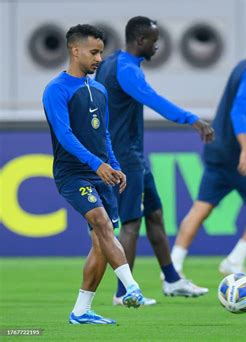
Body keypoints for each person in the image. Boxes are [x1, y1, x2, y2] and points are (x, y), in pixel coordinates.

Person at [95, 16, 214, 305]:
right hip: (124, 157)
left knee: (155, 215)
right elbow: (153, 99)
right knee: (132, 224)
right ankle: (124, 293)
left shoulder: (113, 63)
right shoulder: (126, 70)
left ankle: (172, 281)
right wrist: (192, 120)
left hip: (132, 155)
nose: (156, 46)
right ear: (140, 41)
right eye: (154, 40)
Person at [171, 23, 246, 275]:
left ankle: (173, 266)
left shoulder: (243, 67)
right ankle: (234, 261)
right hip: (236, 155)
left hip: (217, 151)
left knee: (201, 208)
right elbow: (239, 113)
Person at [42, 24, 145, 325]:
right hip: (72, 174)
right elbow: (64, 135)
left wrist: (113, 165)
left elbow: (106, 137)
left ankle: (81, 311)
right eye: (94, 52)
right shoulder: (56, 90)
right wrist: (95, 164)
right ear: (75, 51)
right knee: (101, 223)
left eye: (101, 52)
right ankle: (132, 287)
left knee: (102, 242)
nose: (99, 58)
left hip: (101, 173)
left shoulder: (99, 90)